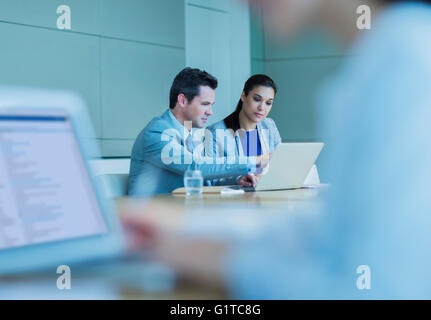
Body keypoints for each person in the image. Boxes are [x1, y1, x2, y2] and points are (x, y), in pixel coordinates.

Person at [124, 0, 431, 299]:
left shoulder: (405, 63)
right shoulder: (161, 133)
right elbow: (198, 169)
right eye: (204, 104)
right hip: (165, 215)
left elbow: (377, 288)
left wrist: (222, 260)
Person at [128, 67, 265, 195]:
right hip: (149, 216)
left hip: (178, 211)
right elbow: (194, 166)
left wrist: (236, 181)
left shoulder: (189, 135)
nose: (210, 112)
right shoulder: (156, 133)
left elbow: (202, 179)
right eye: (205, 104)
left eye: (211, 105)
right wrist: (252, 161)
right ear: (182, 100)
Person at [205, 75, 281, 185]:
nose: (262, 108)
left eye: (268, 103)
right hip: (235, 199)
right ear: (243, 96)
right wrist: (237, 180)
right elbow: (209, 179)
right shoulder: (216, 132)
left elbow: (280, 163)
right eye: (257, 99)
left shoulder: (269, 125)